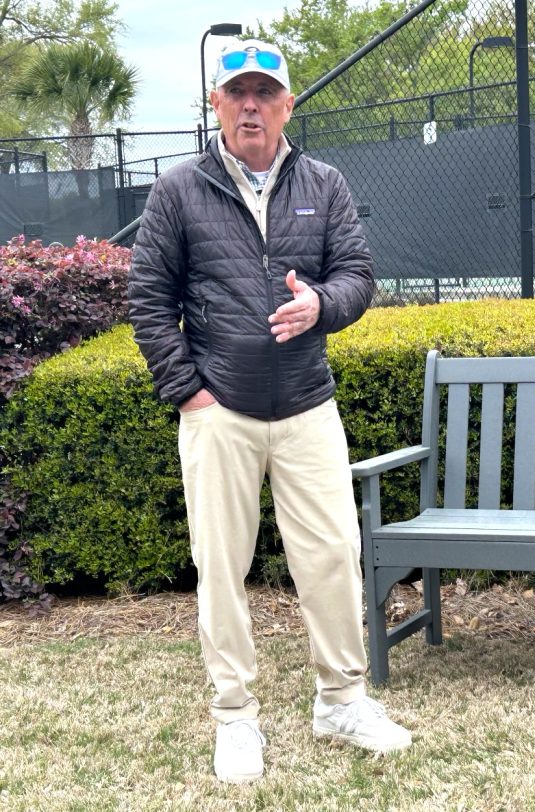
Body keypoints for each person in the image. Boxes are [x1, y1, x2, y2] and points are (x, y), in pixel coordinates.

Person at [127, 39, 411, 784]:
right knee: (221, 568)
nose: (251, 106)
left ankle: (341, 700)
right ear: (215, 106)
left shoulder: (325, 182)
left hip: (308, 407)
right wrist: (189, 389)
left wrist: (322, 303)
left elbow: (358, 275)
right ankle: (235, 719)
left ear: (288, 105)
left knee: (331, 558)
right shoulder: (177, 192)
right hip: (219, 411)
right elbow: (149, 301)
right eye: (237, 95)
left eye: (266, 94)